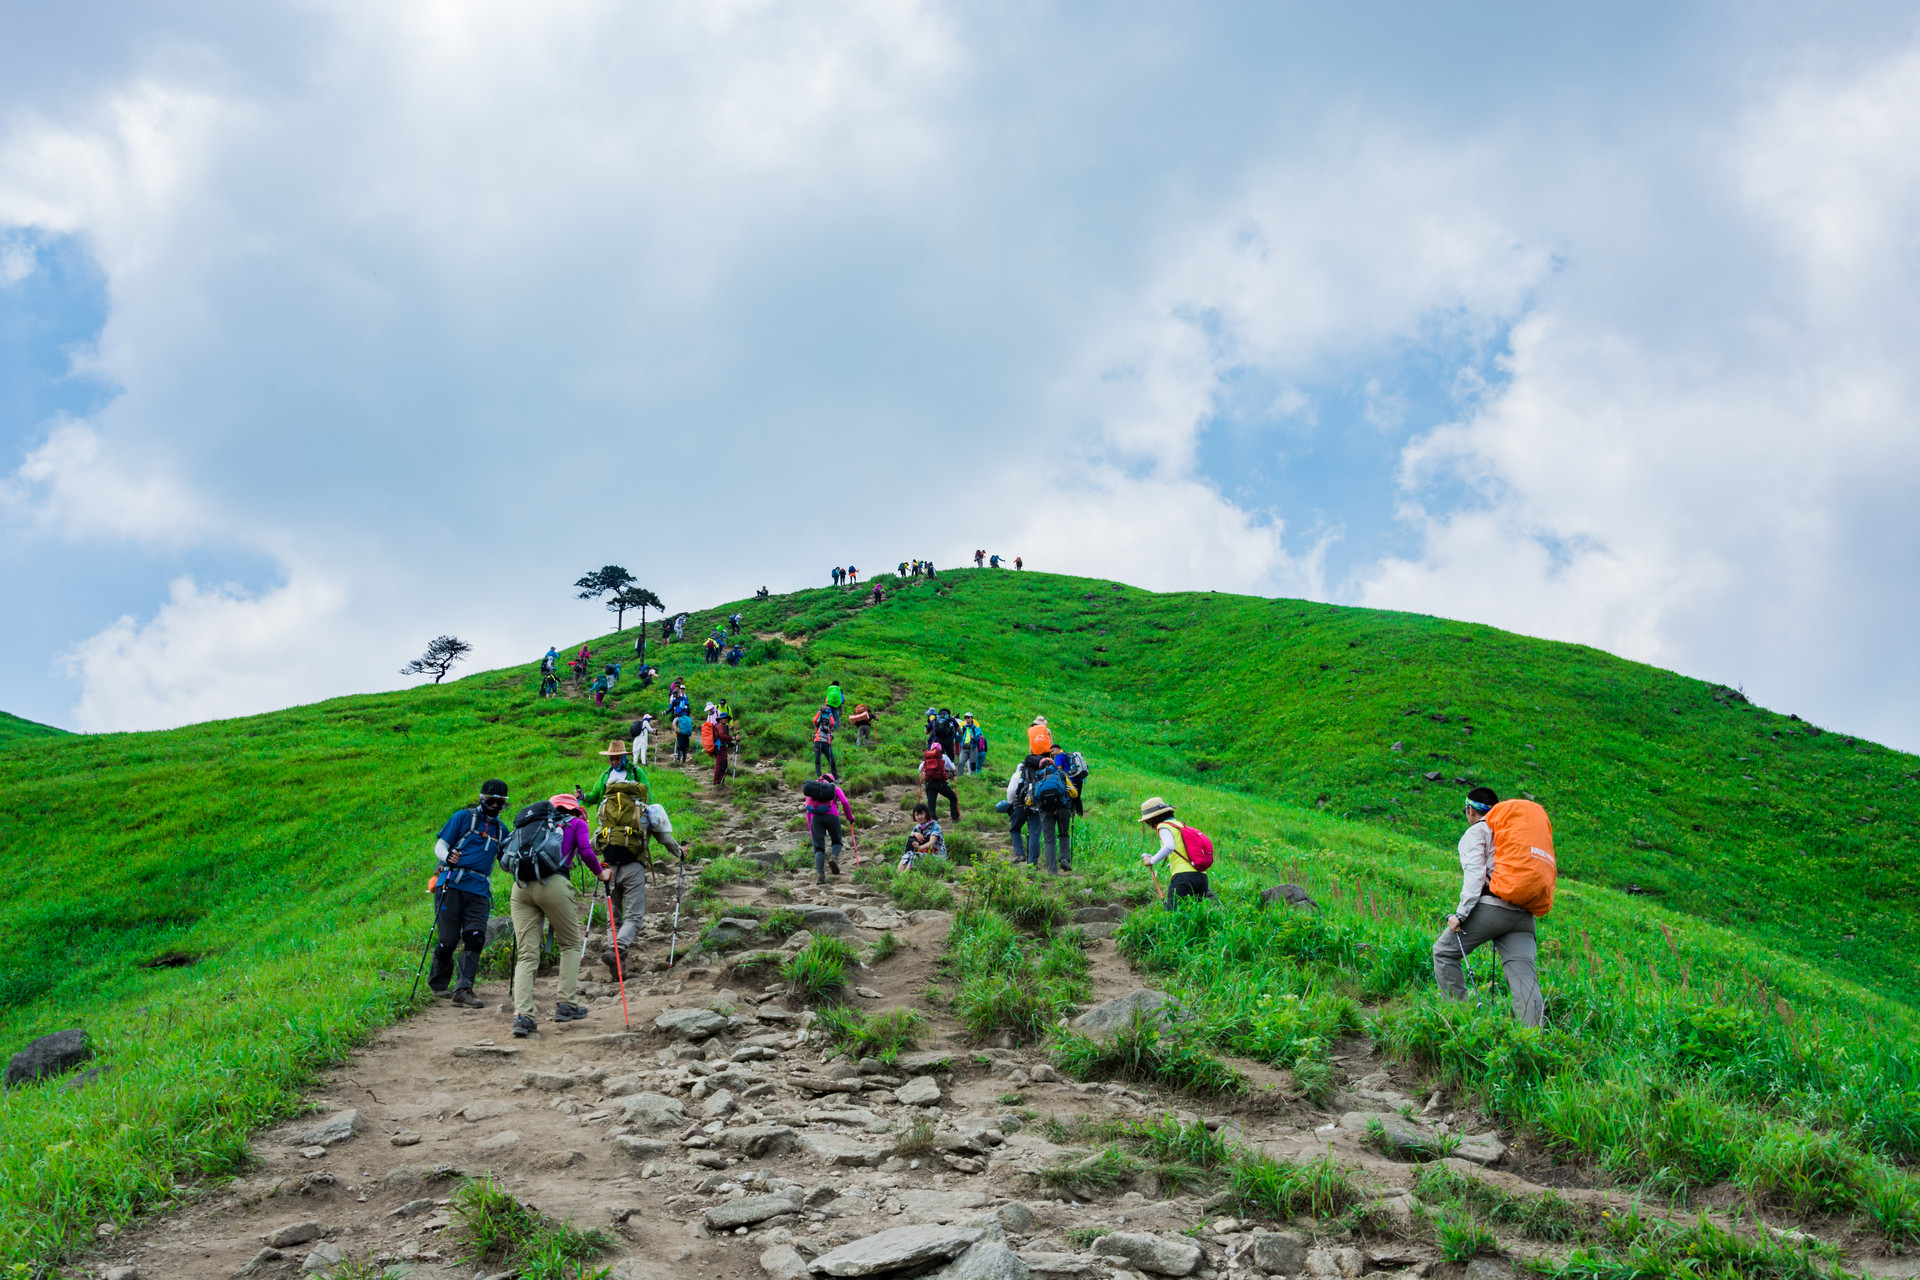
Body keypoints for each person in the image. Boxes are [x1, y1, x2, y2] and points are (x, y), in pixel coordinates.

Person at [1432, 787, 1547, 1027]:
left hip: (1492, 908)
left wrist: (1461, 914)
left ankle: (1457, 1022)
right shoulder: (1513, 833)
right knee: (1524, 978)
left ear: (1471, 810)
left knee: (1444, 952)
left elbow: (1475, 874)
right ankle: (1532, 1042)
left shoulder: (1477, 832)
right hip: (1524, 915)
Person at [509, 794, 609, 1038]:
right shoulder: (576, 824)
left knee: (527, 955)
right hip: (553, 883)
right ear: (576, 811)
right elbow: (585, 851)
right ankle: (566, 1003)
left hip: (520, 887)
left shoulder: (535, 826)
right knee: (571, 945)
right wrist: (601, 874)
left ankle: (523, 1017)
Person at [427, 778, 511, 1007]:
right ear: (482, 798)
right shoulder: (463, 817)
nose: (494, 805)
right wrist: (448, 856)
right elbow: (440, 845)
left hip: (480, 890)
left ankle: (463, 989)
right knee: (448, 940)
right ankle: (438, 983)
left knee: (475, 937)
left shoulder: (502, 830)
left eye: (499, 802)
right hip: (451, 884)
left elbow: (504, 860)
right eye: (490, 800)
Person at [598, 795, 684, 974]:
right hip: (633, 869)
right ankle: (617, 951)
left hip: (608, 868)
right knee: (634, 918)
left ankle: (617, 963)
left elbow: (595, 842)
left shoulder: (608, 811)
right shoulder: (648, 811)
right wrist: (680, 853)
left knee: (613, 918)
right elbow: (665, 839)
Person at [1138, 795, 1207, 907]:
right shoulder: (1180, 825)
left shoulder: (1163, 826)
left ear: (1151, 819)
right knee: (1193, 915)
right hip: (1201, 877)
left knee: (1175, 915)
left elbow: (1169, 846)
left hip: (1184, 878)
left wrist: (1152, 860)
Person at [803, 773, 854, 882]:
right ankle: (833, 857)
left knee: (819, 848)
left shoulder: (812, 789)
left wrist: (812, 832)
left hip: (815, 818)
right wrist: (850, 817)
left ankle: (820, 876)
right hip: (832, 816)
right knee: (837, 842)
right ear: (831, 781)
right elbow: (845, 802)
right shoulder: (834, 788)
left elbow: (808, 810)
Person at [581, 739, 641, 804]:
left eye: (617, 759)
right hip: (608, 813)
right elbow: (596, 796)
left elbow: (647, 794)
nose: (614, 762)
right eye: (611, 759)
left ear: (624, 757)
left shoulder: (635, 772)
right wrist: (583, 796)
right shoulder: (606, 775)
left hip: (629, 812)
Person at [920, 738, 960, 823]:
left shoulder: (927, 758)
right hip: (940, 783)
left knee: (931, 802)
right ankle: (955, 818)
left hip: (929, 783)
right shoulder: (944, 757)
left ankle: (932, 820)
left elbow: (920, 769)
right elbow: (952, 768)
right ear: (940, 749)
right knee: (952, 797)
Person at [902, 803, 944, 869]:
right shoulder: (917, 827)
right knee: (907, 856)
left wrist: (919, 848)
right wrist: (915, 834)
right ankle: (898, 875)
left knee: (916, 857)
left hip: (937, 855)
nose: (919, 817)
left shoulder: (935, 825)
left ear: (926, 813)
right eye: (917, 815)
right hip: (923, 853)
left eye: (921, 814)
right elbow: (911, 839)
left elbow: (932, 843)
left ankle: (904, 876)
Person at [812, 702, 840, 777]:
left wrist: (820, 712)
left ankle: (821, 775)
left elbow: (815, 721)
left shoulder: (822, 718)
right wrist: (829, 714)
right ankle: (833, 777)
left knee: (819, 760)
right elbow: (833, 724)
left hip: (820, 741)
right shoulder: (822, 718)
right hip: (824, 741)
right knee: (830, 761)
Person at [711, 711, 735, 786]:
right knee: (719, 765)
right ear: (720, 720)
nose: (726, 720)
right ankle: (717, 783)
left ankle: (720, 782)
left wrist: (733, 743)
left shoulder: (723, 727)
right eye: (724, 718)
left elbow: (725, 740)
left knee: (723, 765)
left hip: (722, 748)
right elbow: (722, 736)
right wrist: (733, 738)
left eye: (726, 718)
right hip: (719, 749)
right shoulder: (720, 727)